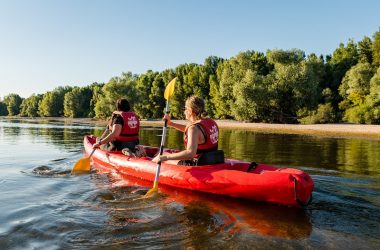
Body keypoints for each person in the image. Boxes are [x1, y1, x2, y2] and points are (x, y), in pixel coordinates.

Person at [152, 95, 224, 166]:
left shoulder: (193, 128)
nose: (184, 111)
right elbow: (193, 132)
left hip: (198, 164)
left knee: (163, 154)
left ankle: (151, 163)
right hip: (214, 159)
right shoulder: (211, 122)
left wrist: (165, 157)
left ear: (190, 111)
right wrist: (171, 123)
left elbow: (190, 153)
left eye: (185, 109)